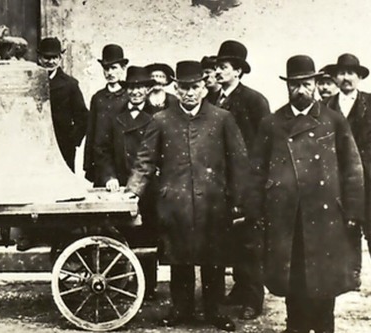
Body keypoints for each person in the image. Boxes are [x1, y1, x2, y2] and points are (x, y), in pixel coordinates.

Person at [125, 60, 249, 332]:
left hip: (213, 203)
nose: (190, 93)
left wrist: (240, 200)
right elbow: (145, 161)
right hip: (175, 203)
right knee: (179, 258)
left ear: (204, 88)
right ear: (176, 90)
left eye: (194, 87)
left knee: (213, 259)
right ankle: (181, 309)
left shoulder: (222, 119)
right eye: (184, 88)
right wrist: (132, 192)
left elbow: (238, 162)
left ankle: (214, 310)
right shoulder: (161, 120)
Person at [248, 55, 364, 333]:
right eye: (295, 84)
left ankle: (324, 327)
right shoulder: (272, 123)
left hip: (326, 216)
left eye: (306, 83)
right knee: (293, 278)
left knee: (324, 282)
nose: (301, 90)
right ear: (287, 87)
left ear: (315, 84)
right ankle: (296, 327)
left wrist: (354, 212)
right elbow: (256, 171)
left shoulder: (333, 121)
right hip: (286, 216)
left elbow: (352, 168)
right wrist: (254, 211)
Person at [211, 40, 270, 319]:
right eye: (217, 67)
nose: (218, 72)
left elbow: (265, 143)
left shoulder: (254, 100)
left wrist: (256, 183)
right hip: (220, 182)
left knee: (249, 241)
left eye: (224, 67)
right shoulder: (212, 100)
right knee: (228, 240)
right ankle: (239, 288)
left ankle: (253, 299)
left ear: (238, 72)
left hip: (247, 182)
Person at [94, 65, 159, 299]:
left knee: (146, 237)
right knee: (119, 235)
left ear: (148, 89)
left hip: (148, 187)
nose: (135, 92)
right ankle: (120, 283)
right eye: (131, 87)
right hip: (119, 186)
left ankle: (147, 287)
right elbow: (101, 149)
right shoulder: (113, 116)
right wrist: (109, 176)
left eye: (140, 87)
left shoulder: (157, 116)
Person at [323, 53, 371, 265]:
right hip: (338, 179)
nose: (346, 78)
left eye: (351, 73)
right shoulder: (324, 106)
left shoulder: (370, 103)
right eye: (341, 73)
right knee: (342, 229)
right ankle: (351, 274)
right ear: (335, 78)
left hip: (369, 179)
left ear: (359, 77)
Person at [37, 37, 88, 172]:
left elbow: (83, 117)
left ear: (60, 58)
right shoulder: (32, 82)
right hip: (38, 144)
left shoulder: (70, 84)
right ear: (40, 58)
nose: (51, 61)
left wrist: (72, 141)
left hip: (63, 146)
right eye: (46, 57)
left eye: (55, 57)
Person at [83, 44, 129, 184]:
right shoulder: (98, 98)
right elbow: (92, 134)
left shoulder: (130, 96)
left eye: (114, 68)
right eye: (106, 68)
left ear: (123, 68)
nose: (110, 72)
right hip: (103, 164)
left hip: (126, 162)